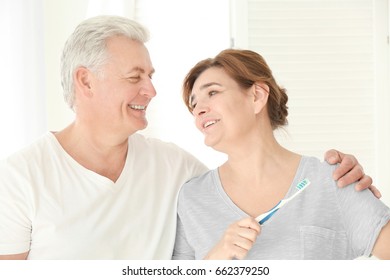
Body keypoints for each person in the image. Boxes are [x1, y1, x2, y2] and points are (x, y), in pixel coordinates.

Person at [0, 16, 377, 260]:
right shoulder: (19, 179)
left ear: (257, 95)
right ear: (85, 81)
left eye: (151, 75)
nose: (151, 90)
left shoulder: (177, 171)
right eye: (135, 77)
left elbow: (246, 174)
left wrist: (345, 177)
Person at [173, 49, 390, 260]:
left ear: (257, 96)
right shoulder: (192, 198)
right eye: (193, 104)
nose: (198, 109)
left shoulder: (333, 179)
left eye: (212, 92)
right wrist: (215, 260)